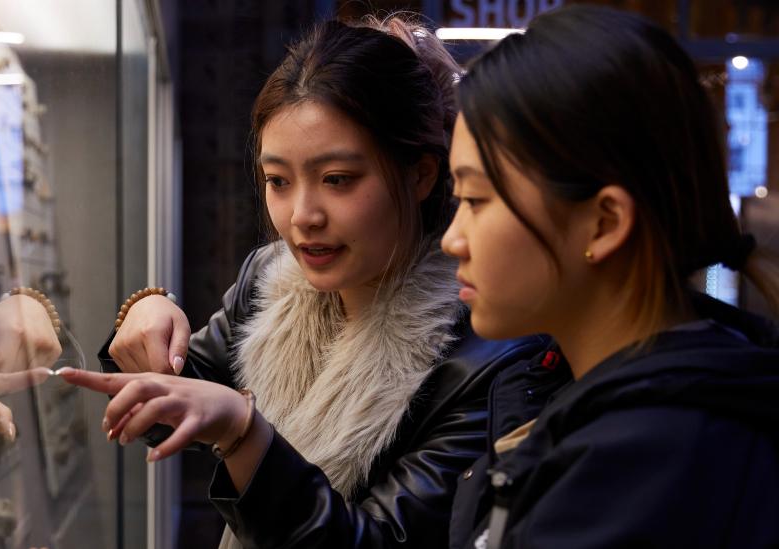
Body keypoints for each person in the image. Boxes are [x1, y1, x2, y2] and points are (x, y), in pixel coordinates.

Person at [59, 16, 560, 549]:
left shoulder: (488, 355)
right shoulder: (270, 281)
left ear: (420, 174)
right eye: (277, 181)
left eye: (337, 180)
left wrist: (244, 434)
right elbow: (159, 410)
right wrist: (147, 313)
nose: (302, 217)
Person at [441, 6, 779, 548]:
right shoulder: (585, 396)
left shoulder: (645, 465)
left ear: (605, 222)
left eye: (477, 199)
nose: (452, 239)